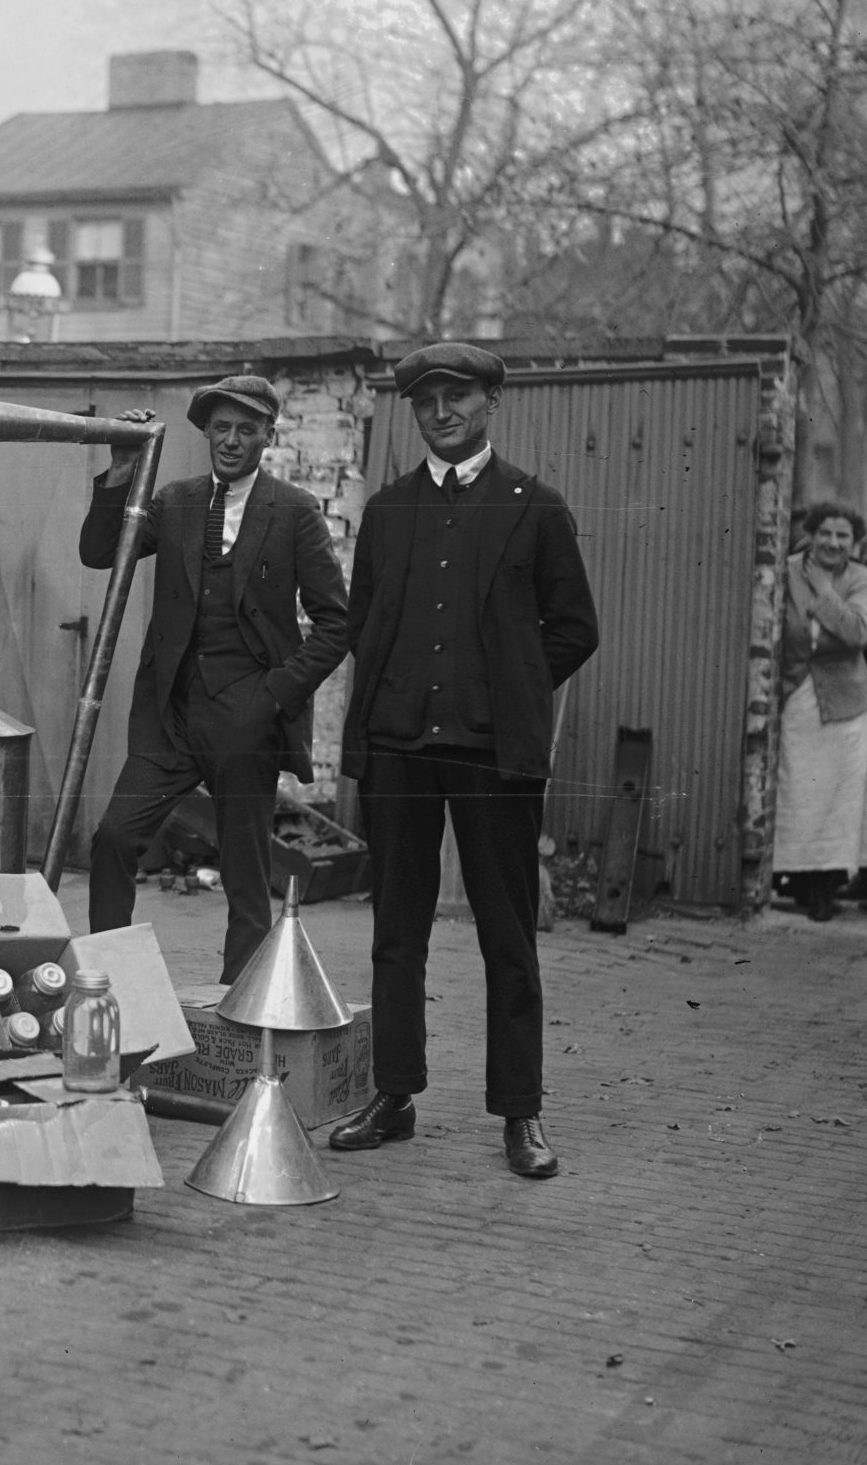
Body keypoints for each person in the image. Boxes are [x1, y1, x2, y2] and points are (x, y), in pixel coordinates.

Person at [328, 342, 599, 1180]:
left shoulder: (535, 507)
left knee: (506, 937)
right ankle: (393, 1095)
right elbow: (367, 624)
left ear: (489, 402)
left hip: (491, 755)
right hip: (399, 749)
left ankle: (520, 1113)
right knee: (394, 934)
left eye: (457, 397)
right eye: (425, 401)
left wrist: (509, 688)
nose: (441, 412)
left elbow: (573, 628)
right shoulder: (388, 510)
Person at [79, 375, 350, 981]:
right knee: (115, 839)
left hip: (245, 720)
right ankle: (110, 988)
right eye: (222, 428)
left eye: (247, 430)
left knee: (247, 876)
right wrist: (122, 469)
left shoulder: (295, 512)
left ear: (268, 437)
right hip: (169, 718)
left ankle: (239, 1017)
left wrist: (272, 696)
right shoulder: (174, 500)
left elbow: (337, 626)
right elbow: (101, 552)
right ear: (206, 432)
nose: (231, 441)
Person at [773, 503, 867, 920]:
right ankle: (794, 877)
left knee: (838, 796)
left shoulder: (860, 578)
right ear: (810, 534)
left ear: (855, 542)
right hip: (797, 694)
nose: (832, 543)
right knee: (799, 789)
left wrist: (824, 590)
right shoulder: (785, 570)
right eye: (825, 533)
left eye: (842, 536)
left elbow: (855, 633)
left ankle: (827, 886)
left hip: (845, 701)